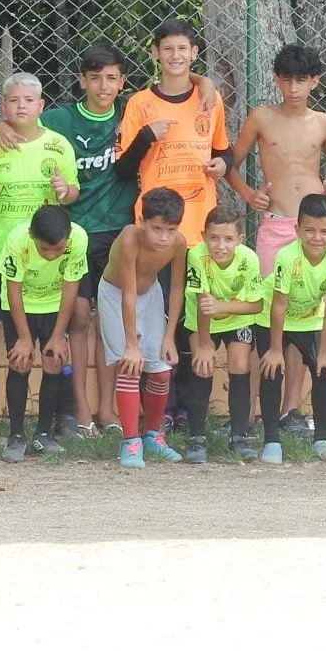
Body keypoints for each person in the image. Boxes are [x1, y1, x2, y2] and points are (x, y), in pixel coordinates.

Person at [37, 44, 220, 437]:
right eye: (95, 78)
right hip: (78, 230)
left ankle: (108, 410)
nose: (104, 86)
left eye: (112, 78)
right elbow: (21, 120)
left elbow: (173, 92)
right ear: (81, 81)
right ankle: (79, 410)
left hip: (120, 229)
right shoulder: (60, 119)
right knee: (80, 317)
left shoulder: (132, 111)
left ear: (122, 82)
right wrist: (4, 127)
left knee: (112, 320)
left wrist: (203, 80)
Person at [228, 43, 326, 435]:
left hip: (312, 231)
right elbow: (231, 164)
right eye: (286, 80)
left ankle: (290, 409)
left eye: (301, 80)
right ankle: (250, 411)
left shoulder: (324, 124)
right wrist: (249, 195)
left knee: (304, 318)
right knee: (266, 314)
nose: (293, 88)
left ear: (315, 81)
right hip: (277, 223)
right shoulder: (261, 117)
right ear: (276, 80)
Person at [0, 73, 79, 432]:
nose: (21, 106)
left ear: (41, 105)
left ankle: (61, 415)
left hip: (41, 259)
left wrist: (65, 190)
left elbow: (73, 192)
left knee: (52, 334)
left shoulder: (58, 145)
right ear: (3, 105)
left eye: (29, 100)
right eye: (13, 100)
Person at [258, 194, 326, 464]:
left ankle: (322, 439)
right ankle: (271, 441)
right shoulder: (287, 256)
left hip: (310, 319)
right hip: (271, 318)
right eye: (309, 230)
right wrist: (275, 349)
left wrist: (324, 352)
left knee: (325, 368)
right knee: (271, 370)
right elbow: (279, 304)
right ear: (297, 230)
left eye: (324, 232)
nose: (317, 238)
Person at [117, 19, 231, 250]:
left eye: (182, 48)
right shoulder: (139, 103)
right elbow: (123, 170)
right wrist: (147, 136)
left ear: (194, 52)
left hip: (201, 226)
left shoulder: (210, 99)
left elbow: (224, 151)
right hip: (157, 228)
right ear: (155, 52)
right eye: (168, 49)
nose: (175, 55)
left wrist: (223, 164)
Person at [99, 188, 189, 469]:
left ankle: (152, 435)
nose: (164, 238)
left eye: (170, 230)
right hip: (116, 294)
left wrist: (170, 336)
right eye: (157, 229)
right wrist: (132, 345)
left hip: (151, 294)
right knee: (130, 366)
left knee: (161, 371)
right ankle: (130, 441)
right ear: (142, 221)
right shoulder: (130, 238)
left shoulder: (178, 243)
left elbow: (177, 287)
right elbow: (128, 293)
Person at [179, 201, 269, 462]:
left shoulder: (249, 259)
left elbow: (256, 305)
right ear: (203, 236)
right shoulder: (196, 256)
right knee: (202, 365)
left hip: (236, 318)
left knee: (240, 365)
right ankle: (197, 438)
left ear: (240, 239)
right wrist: (204, 344)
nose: (221, 245)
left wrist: (223, 306)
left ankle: (239, 436)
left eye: (228, 239)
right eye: (214, 238)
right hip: (202, 320)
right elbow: (203, 303)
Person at [0, 204, 86, 461]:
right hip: (19, 305)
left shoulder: (79, 239)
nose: (51, 255)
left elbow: (71, 287)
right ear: (32, 236)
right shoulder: (17, 239)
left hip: (55, 305)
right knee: (20, 362)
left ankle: (44, 434)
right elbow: (13, 288)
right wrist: (24, 338)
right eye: (44, 249)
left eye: (57, 249)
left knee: (54, 362)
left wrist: (58, 336)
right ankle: (16, 435)